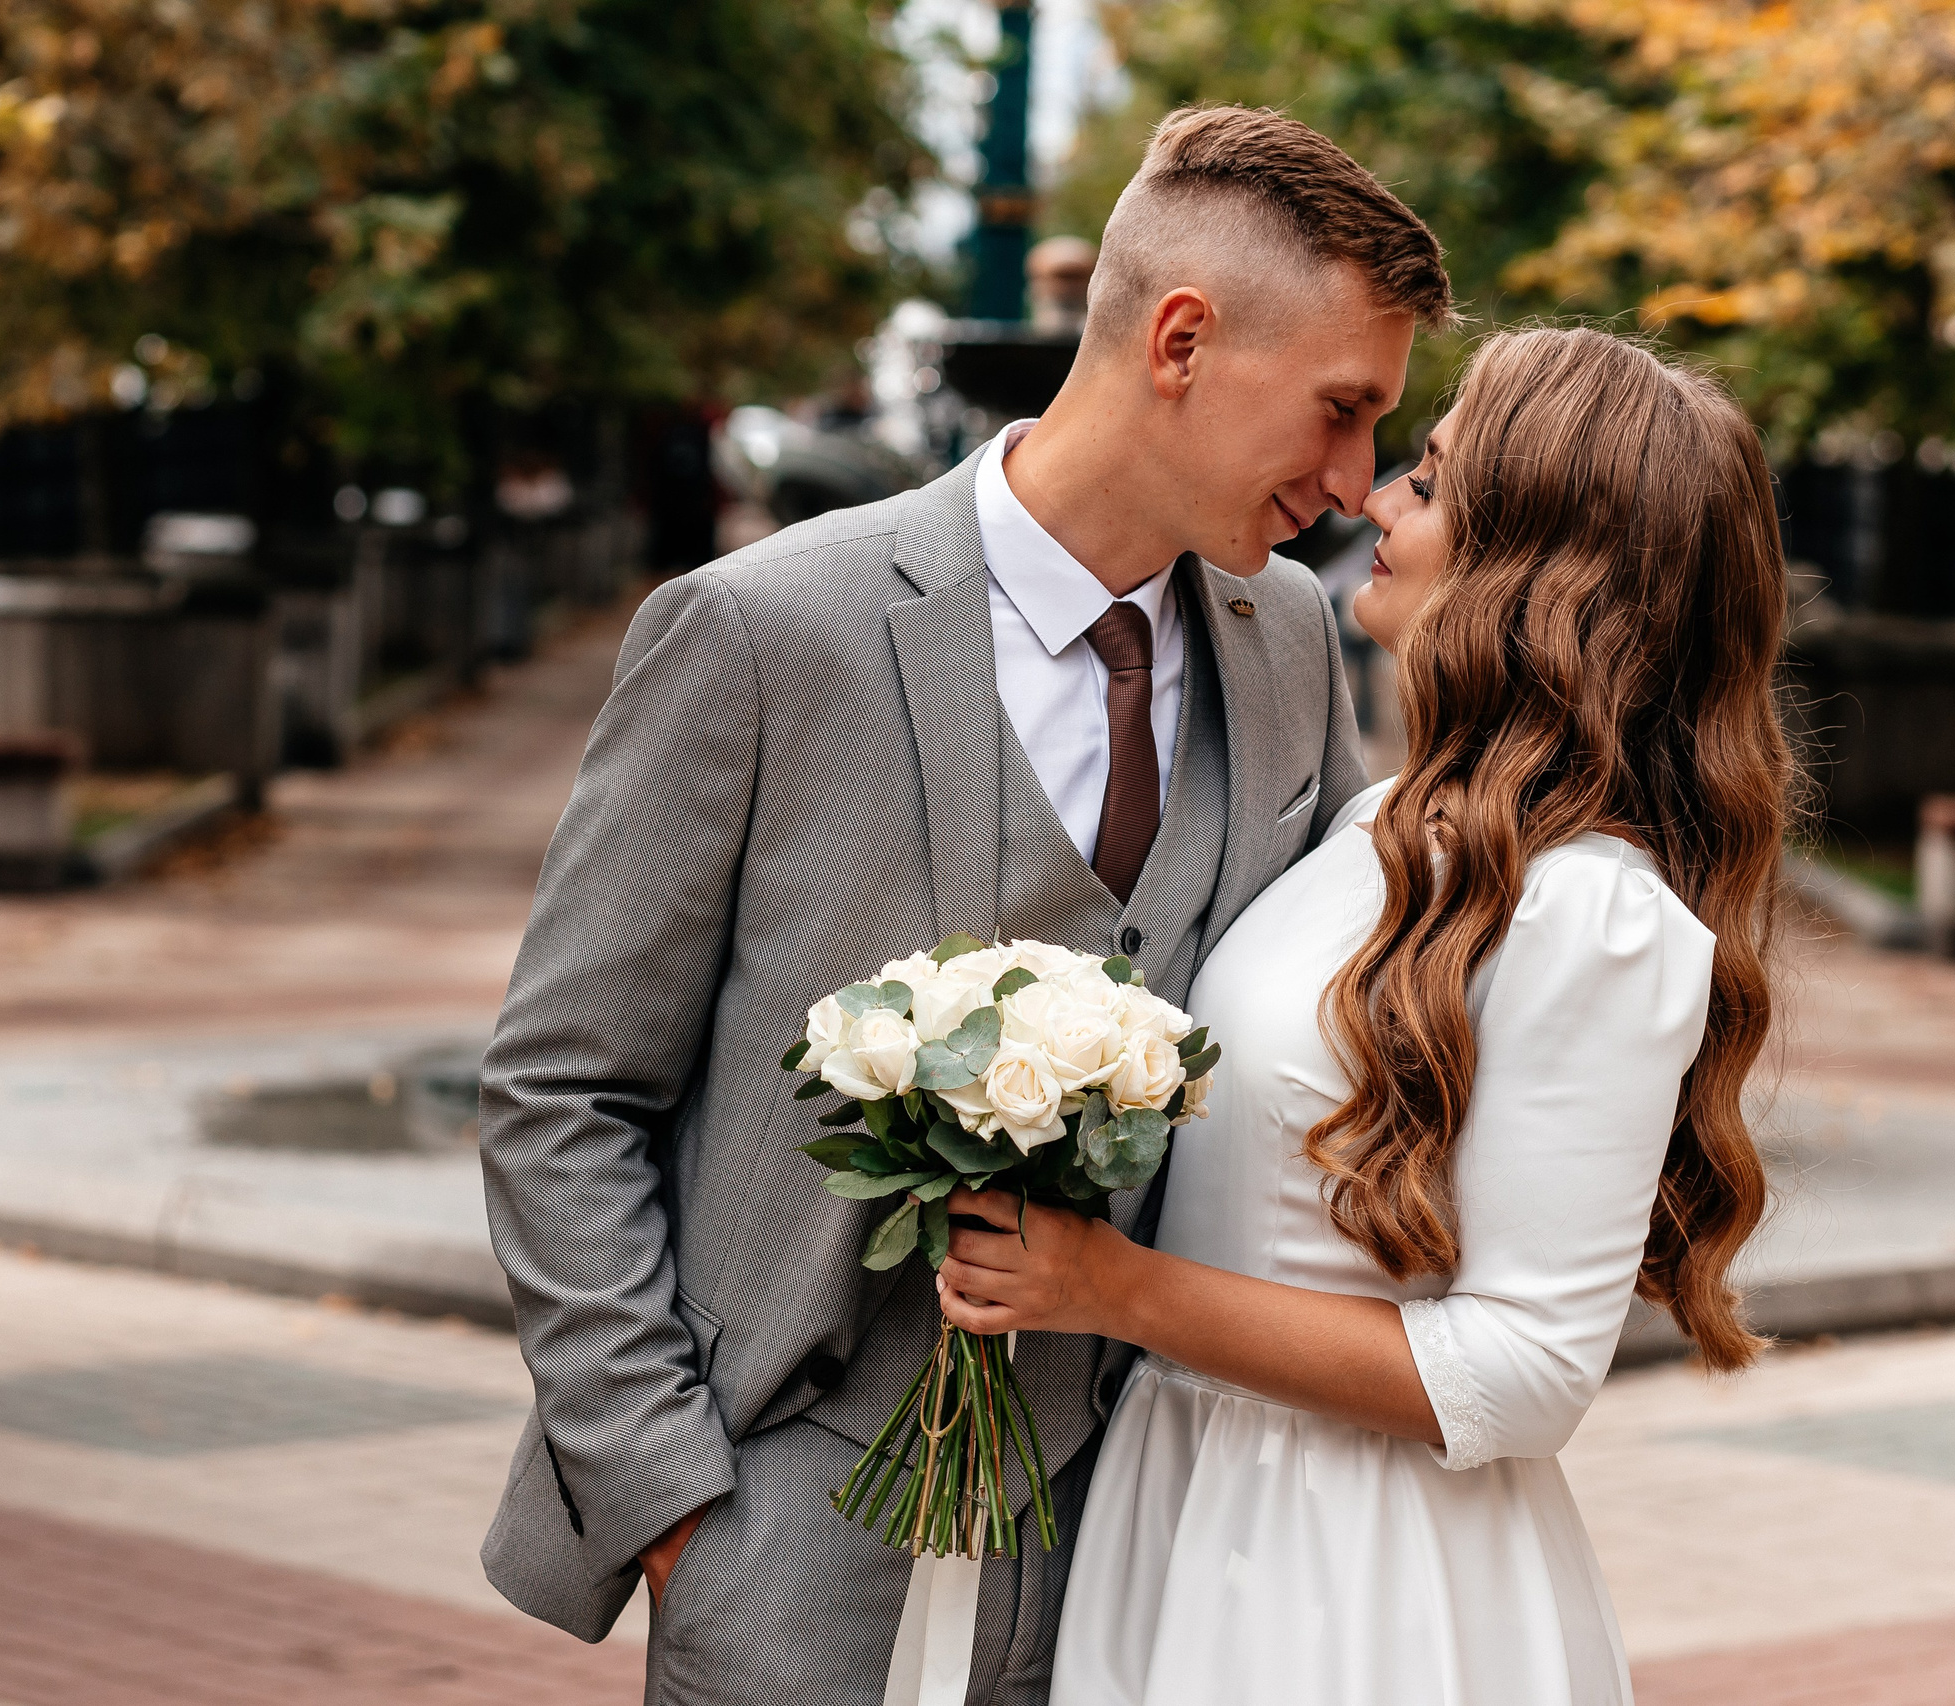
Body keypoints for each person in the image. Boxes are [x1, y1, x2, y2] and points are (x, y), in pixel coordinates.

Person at [475, 107, 1452, 1703]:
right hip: (787, 1528)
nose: (1353, 485)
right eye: (1342, 412)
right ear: (1183, 340)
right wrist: (672, 1499)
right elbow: (563, 1087)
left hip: (1137, 1552)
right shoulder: (762, 632)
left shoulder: (1288, 649)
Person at [935, 326, 1792, 1704]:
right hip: (1182, 1496)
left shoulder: (1596, 914)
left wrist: (1111, 1287)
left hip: (1355, 1575)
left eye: (1432, 483)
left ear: (1540, 570)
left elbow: (1523, 1369)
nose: (1373, 501)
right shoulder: (1374, 821)